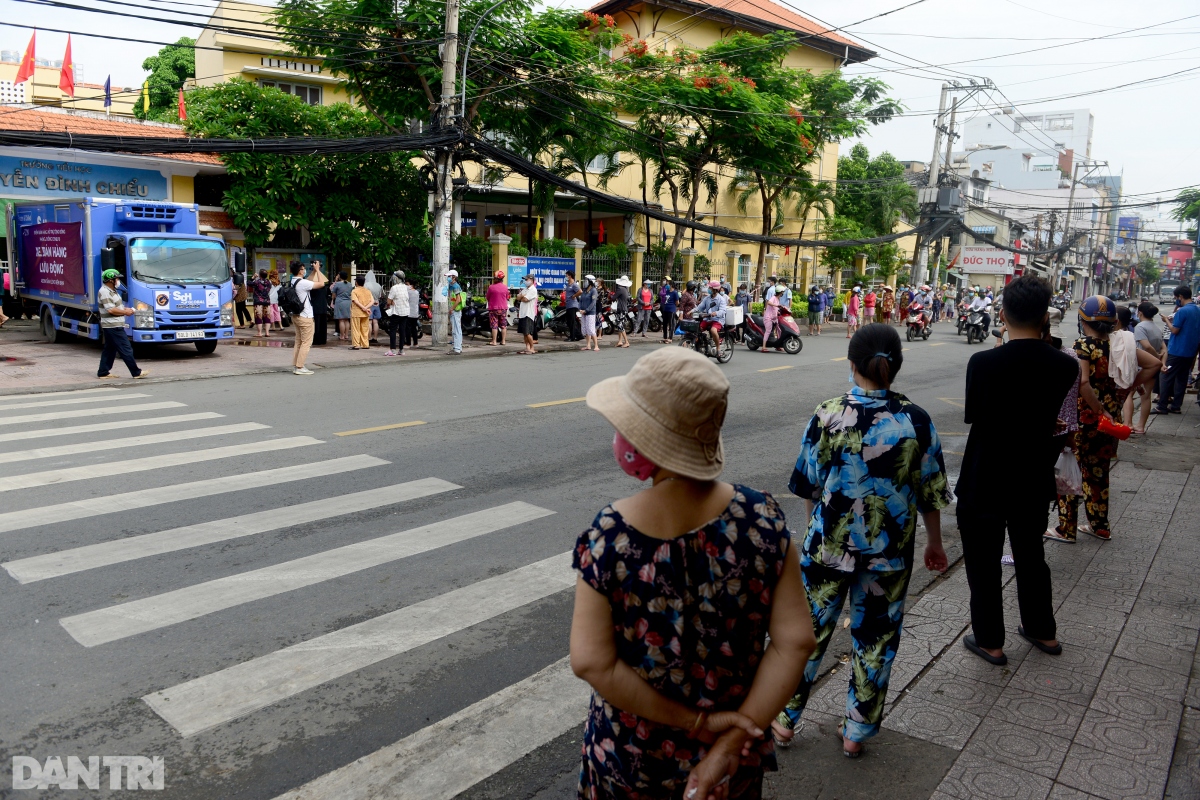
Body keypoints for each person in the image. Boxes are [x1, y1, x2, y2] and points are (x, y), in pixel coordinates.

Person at [572, 346, 817, 800]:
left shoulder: (610, 535)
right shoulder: (763, 518)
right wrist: (728, 742)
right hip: (731, 765)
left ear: (643, 440)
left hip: (630, 760)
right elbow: (796, 641)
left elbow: (590, 660)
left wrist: (696, 723)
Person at [776, 323, 951, 755]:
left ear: (851, 364)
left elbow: (808, 486)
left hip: (826, 549)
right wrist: (934, 543)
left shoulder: (829, 414)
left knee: (806, 633)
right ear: (896, 366)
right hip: (889, 554)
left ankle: (783, 721)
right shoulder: (916, 420)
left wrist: (814, 535)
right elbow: (930, 493)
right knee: (876, 641)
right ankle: (855, 735)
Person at [953, 276, 1077, 666]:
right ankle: (1043, 630)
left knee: (983, 559)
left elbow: (974, 414)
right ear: (1045, 316)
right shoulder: (1064, 365)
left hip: (985, 474)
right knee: (1030, 553)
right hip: (1032, 472)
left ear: (1003, 314)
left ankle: (990, 641)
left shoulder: (984, 362)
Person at [1047, 296, 1129, 544]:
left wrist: (1098, 408)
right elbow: (1152, 365)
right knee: (1098, 472)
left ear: (1083, 321)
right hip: (1109, 422)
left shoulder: (1084, 345)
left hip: (1086, 418)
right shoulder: (1119, 345)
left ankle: (1066, 529)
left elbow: (1082, 382)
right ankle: (1100, 526)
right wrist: (1119, 397)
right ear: (1113, 323)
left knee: (1071, 472)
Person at [1154, 285, 1200, 414]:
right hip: (1190, 350)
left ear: (1180, 297)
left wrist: (1166, 321)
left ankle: (1161, 406)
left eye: (1176, 297)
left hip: (1177, 350)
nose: (1176, 300)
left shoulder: (1182, 311)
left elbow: (1174, 330)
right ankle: (1176, 406)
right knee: (1182, 378)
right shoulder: (1197, 310)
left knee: (1165, 375)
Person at [97, 269, 147, 380]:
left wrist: (125, 309)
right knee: (126, 348)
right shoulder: (105, 292)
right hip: (112, 326)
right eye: (117, 278)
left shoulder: (112, 291)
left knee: (110, 349)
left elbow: (115, 307)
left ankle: (103, 372)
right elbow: (110, 310)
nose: (118, 280)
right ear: (110, 280)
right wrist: (125, 312)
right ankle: (136, 372)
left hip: (114, 325)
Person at [1128, 302, 1166, 433]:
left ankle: (1128, 424)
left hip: (1141, 365)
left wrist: (1156, 358)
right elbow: (1163, 348)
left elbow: (1147, 346)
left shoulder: (1140, 326)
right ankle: (1141, 426)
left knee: (1129, 394)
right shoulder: (1156, 327)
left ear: (1140, 313)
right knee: (1146, 396)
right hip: (1153, 368)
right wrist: (1160, 360)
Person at [289, 260, 325, 375]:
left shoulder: (294, 281)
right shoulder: (302, 283)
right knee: (306, 342)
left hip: (296, 315)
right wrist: (318, 270)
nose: (304, 270)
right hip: (305, 316)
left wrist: (314, 271)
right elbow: (321, 284)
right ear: (300, 271)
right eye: (303, 269)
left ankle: (296, 365)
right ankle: (300, 367)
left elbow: (308, 281)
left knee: (298, 341)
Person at [695, 280, 727, 348]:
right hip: (707, 319)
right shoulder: (707, 298)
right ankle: (703, 344)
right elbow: (699, 308)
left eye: (710, 288)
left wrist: (716, 313)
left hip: (718, 320)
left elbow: (723, 311)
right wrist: (691, 312)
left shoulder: (721, 299)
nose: (709, 289)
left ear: (715, 289)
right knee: (697, 329)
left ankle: (718, 347)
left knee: (713, 330)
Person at [384, 271, 410, 357]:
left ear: (396, 278)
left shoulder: (394, 288)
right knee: (402, 330)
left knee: (393, 330)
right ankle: (401, 350)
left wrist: (391, 303)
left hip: (396, 312)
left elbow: (388, 301)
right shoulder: (407, 287)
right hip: (405, 311)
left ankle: (392, 350)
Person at [349, 274, 375, 350]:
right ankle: (365, 344)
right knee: (364, 328)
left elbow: (356, 301)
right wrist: (366, 308)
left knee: (356, 329)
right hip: (366, 313)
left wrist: (363, 308)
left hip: (356, 312)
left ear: (356, 282)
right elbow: (372, 301)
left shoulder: (354, 291)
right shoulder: (368, 291)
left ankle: (356, 345)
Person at [307, 262, 330, 346]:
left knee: (316, 324)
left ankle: (316, 340)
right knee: (322, 324)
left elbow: (308, 280)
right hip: (323, 306)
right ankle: (322, 340)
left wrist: (316, 270)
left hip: (315, 307)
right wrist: (316, 270)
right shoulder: (324, 287)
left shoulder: (313, 287)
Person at [486, 270, 510, 347]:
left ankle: (494, 341)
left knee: (494, 325)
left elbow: (487, 297)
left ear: (497, 279)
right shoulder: (505, 287)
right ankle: (503, 341)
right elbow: (507, 297)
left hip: (493, 309)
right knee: (503, 325)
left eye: (494, 278)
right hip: (503, 309)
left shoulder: (491, 287)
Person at [516, 274, 539, 354]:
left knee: (528, 332)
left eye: (527, 279)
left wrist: (522, 296)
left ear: (532, 280)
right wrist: (522, 296)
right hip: (522, 313)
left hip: (528, 314)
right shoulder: (525, 289)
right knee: (524, 333)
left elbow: (525, 299)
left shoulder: (533, 290)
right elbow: (518, 297)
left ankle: (532, 347)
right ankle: (527, 347)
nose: (526, 281)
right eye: (525, 280)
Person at [248, 269, 272, 337]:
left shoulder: (257, 282)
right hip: (267, 301)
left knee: (258, 317)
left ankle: (259, 333)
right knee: (267, 317)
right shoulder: (268, 282)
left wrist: (253, 277)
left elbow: (248, 283)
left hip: (258, 301)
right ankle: (267, 332)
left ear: (260, 275)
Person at [579, 274, 599, 352]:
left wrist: (586, 310)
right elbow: (581, 300)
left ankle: (596, 345)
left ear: (590, 282)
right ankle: (588, 345)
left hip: (590, 312)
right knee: (585, 329)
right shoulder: (584, 290)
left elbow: (593, 302)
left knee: (591, 329)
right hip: (583, 312)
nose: (584, 282)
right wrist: (580, 308)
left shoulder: (593, 290)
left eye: (586, 280)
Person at [331, 272, 353, 341]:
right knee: (346, 319)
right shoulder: (350, 284)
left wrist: (333, 299)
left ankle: (342, 335)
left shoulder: (337, 284)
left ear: (340, 276)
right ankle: (346, 335)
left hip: (340, 302)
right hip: (348, 302)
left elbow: (333, 294)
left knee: (341, 320)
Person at [761, 276, 781, 351]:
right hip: (769, 316)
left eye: (770, 281)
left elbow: (768, 302)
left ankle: (778, 345)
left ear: (773, 282)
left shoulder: (775, 295)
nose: (769, 282)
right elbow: (768, 301)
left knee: (778, 329)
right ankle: (763, 347)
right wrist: (765, 309)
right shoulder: (772, 291)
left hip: (774, 316)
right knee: (769, 330)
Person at [447, 269, 464, 355]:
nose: (448, 278)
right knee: (456, 329)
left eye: (449, 276)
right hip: (454, 310)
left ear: (454, 277)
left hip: (455, 310)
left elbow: (458, 299)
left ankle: (457, 348)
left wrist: (452, 309)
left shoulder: (455, 286)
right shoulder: (452, 285)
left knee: (456, 329)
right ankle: (458, 347)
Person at [612, 275, 632, 349]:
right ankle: (620, 341)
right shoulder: (626, 290)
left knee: (620, 325)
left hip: (620, 309)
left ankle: (626, 341)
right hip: (624, 309)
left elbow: (613, 298)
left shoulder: (620, 289)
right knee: (620, 325)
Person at [563, 271, 583, 341]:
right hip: (568, 305)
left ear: (570, 276)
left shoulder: (574, 284)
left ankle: (572, 337)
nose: (565, 277)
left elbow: (580, 291)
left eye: (566, 275)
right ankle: (579, 335)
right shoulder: (569, 284)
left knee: (571, 322)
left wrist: (574, 296)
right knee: (569, 321)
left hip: (573, 305)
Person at [660, 277, 679, 343]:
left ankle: (670, 338)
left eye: (668, 284)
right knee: (664, 324)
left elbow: (677, 302)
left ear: (671, 285)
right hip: (666, 309)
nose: (667, 285)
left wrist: (674, 306)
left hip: (671, 310)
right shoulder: (667, 291)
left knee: (671, 324)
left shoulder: (675, 293)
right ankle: (665, 337)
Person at [406, 276, 421, 348]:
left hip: (408, 312)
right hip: (415, 312)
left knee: (408, 329)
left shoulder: (408, 292)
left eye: (407, 284)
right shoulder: (417, 292)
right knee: (414, 328)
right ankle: (416, 343)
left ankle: (408, 343)